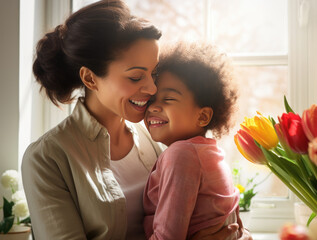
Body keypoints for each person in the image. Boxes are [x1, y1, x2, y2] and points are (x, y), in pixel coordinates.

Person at [21, 1, 249, 239]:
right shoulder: (47, 158)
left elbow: (211, 215)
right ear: (90, 79)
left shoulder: (159, 139)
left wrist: (236, 234)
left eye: (154, 73)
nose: (152, 88)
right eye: (136, 77)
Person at [143, 42, 240, 240]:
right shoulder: (212, 154)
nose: (153, 107)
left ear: (203, 116)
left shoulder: (181, 154)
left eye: (168, 99)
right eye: (151, 100)